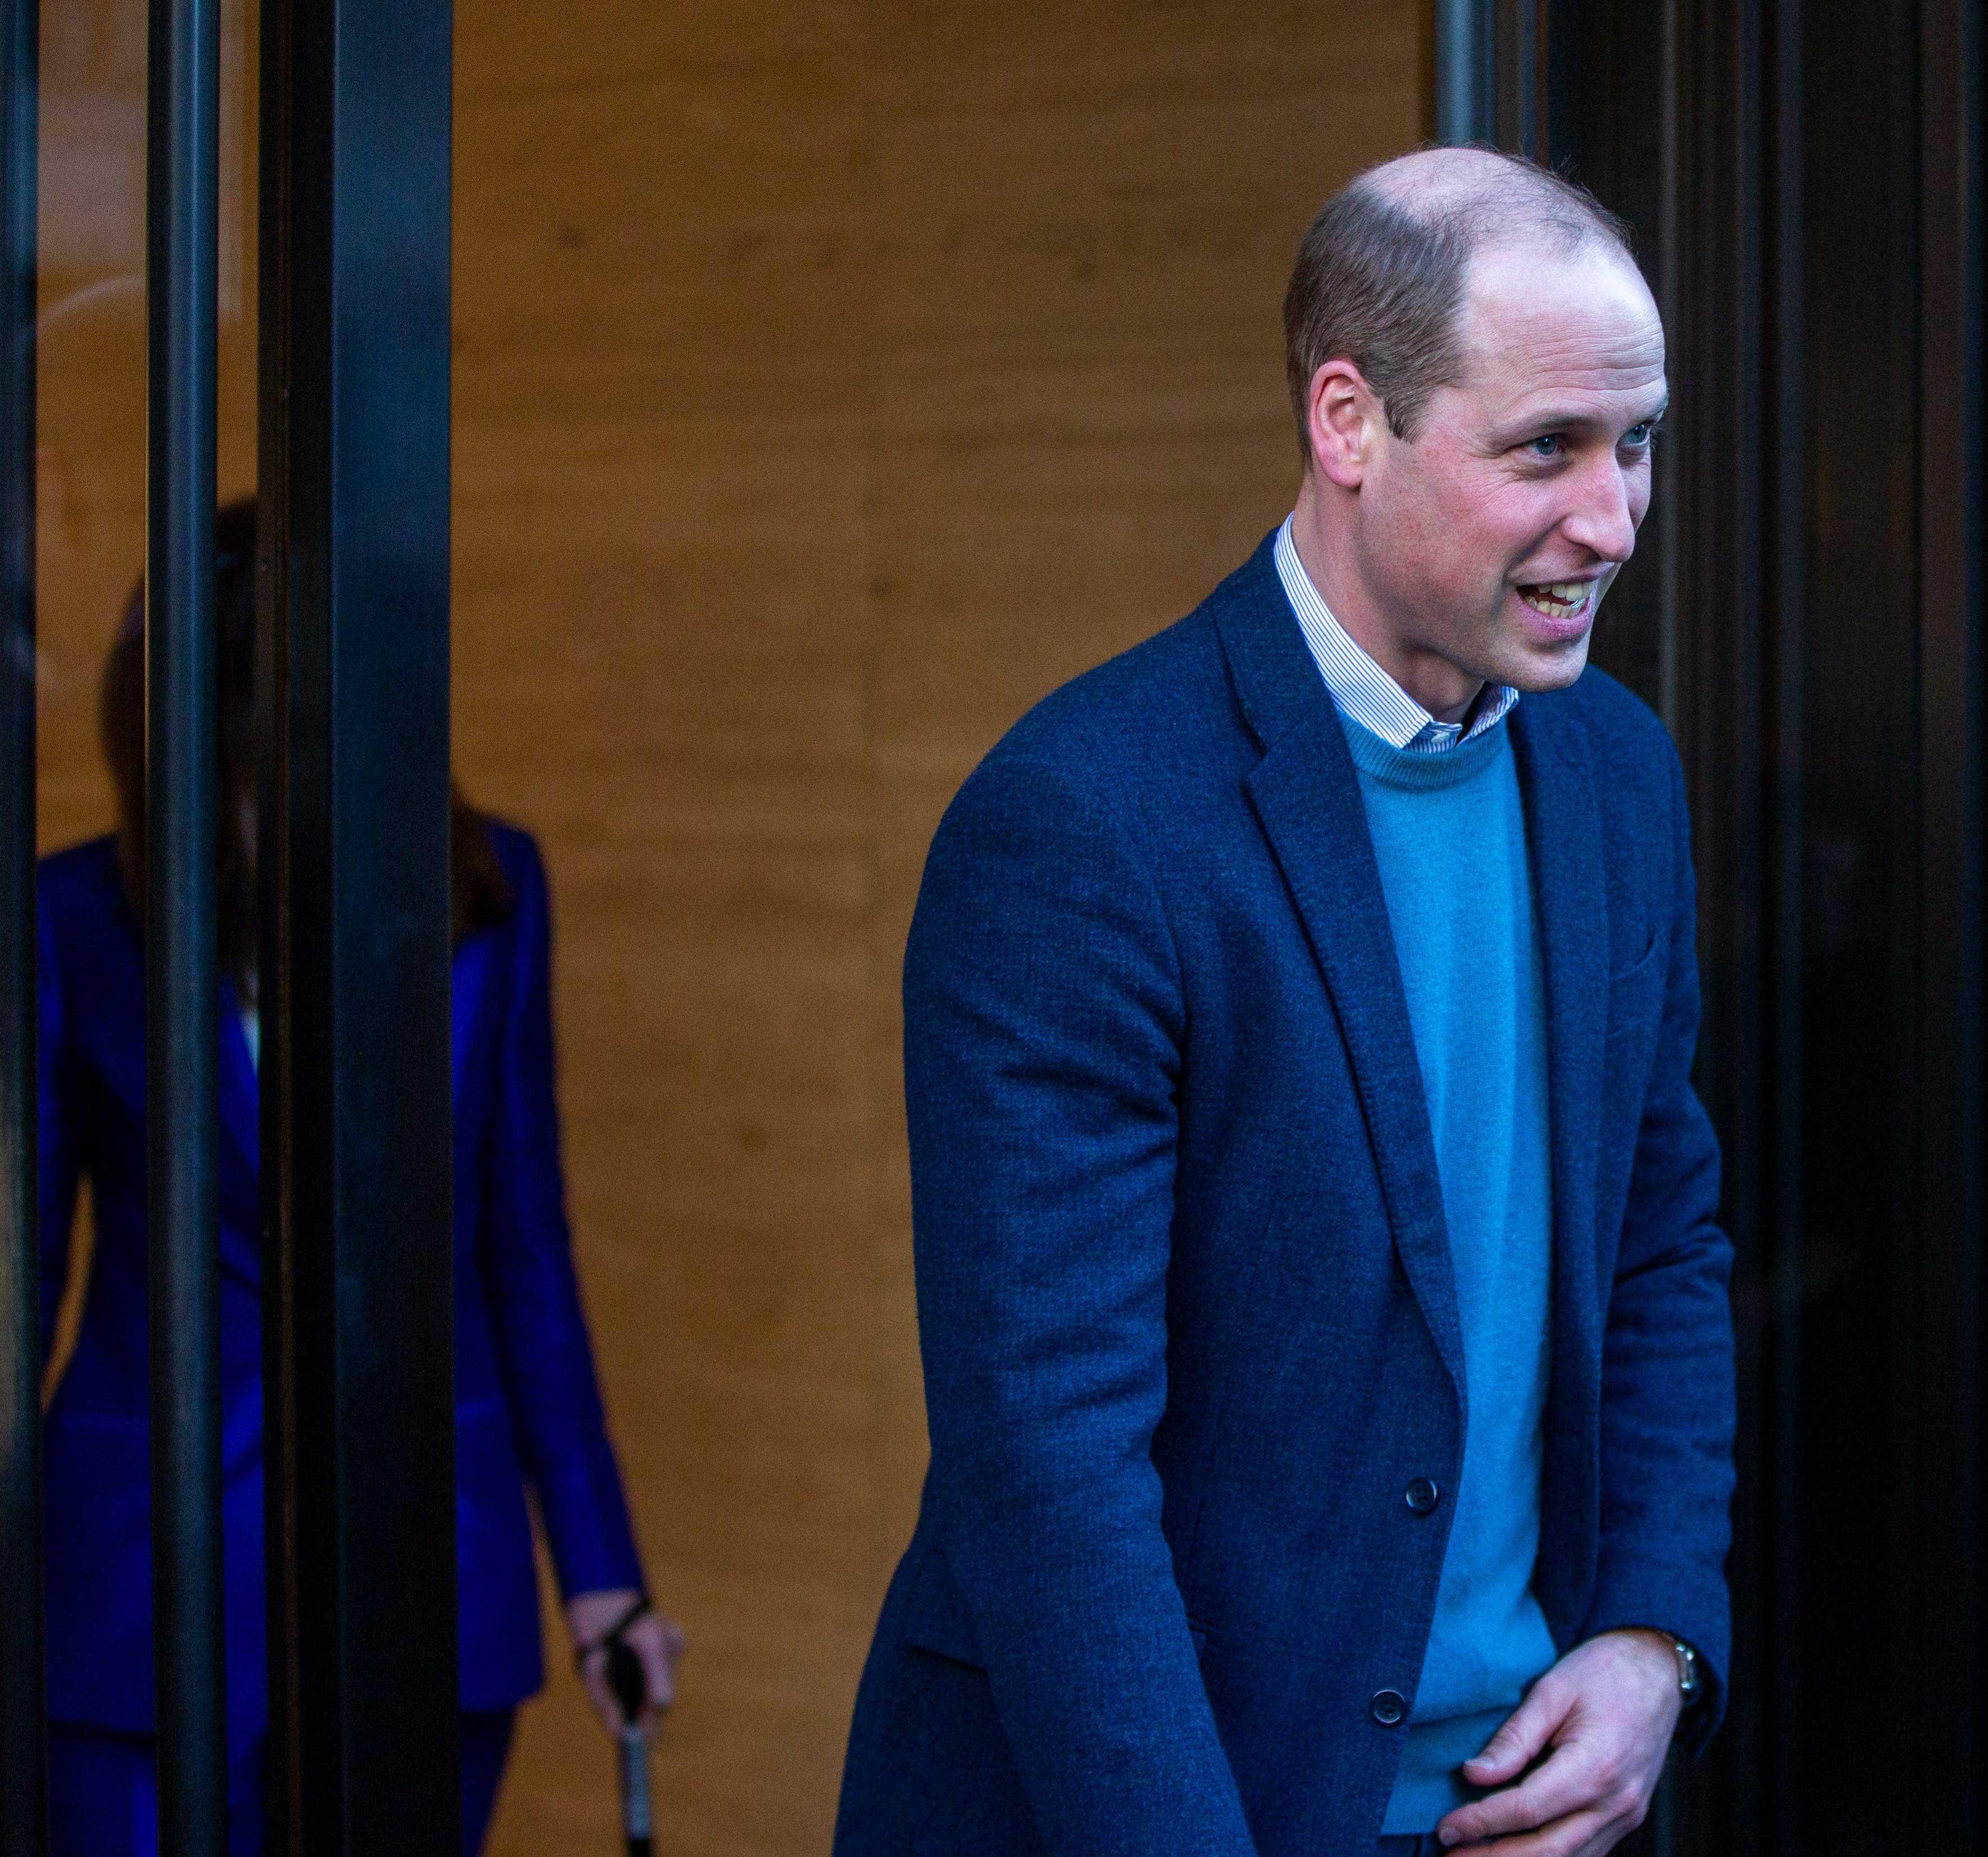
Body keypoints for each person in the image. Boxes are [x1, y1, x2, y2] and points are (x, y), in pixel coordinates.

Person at [835, 146, 1735, 1856]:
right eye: (1544, 446)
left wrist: (1655, 1633)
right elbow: (1051, 1466)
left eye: (1636, 443)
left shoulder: (1618, 772)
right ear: (1349, 422)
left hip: (1509, 1813)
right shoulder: (1084, 824)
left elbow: (1659, 1241)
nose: (1612, 517)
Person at [34, 499, 685, 1856]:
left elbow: (523, 1246)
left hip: (425, 1565)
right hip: (143, 1575)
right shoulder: (75, 916)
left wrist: (602, 1572)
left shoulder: (493, 886)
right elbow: (25, 1261)